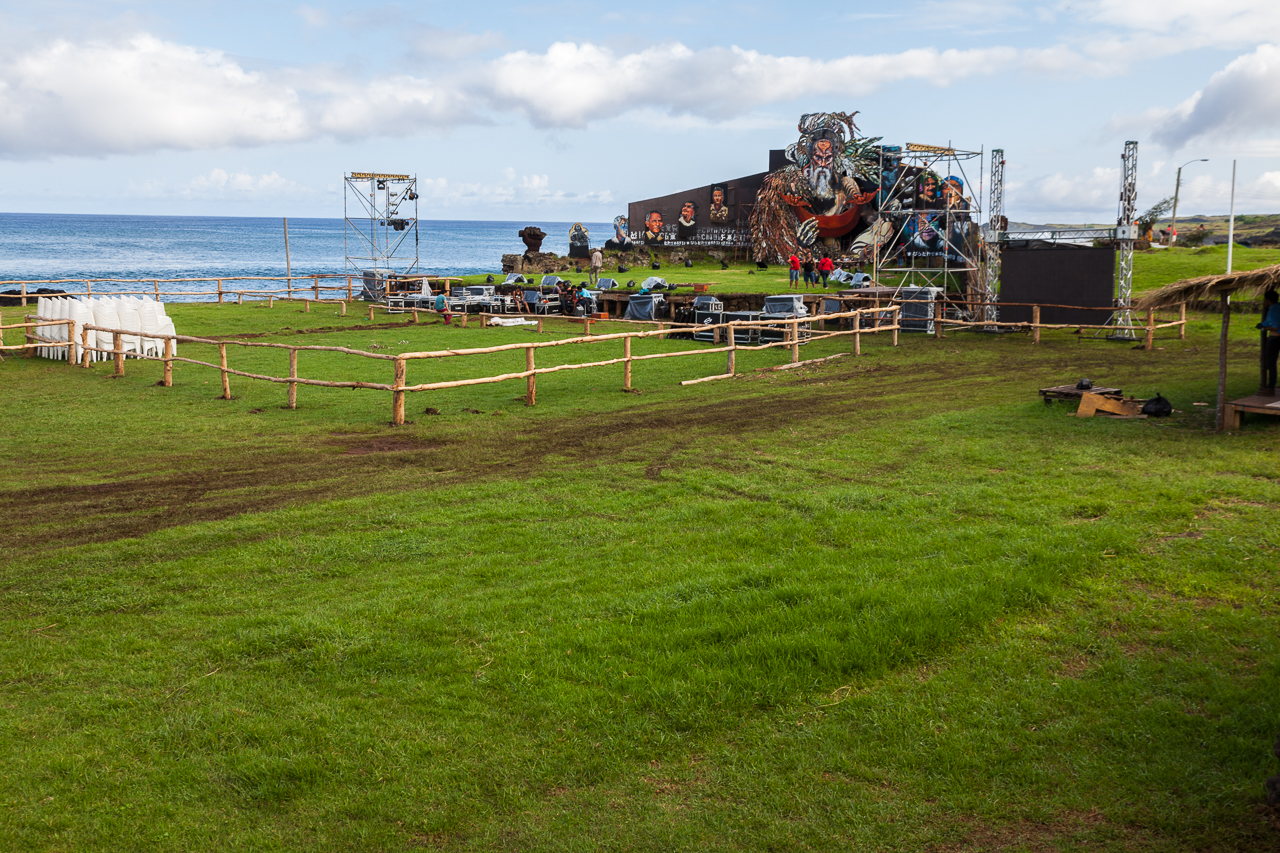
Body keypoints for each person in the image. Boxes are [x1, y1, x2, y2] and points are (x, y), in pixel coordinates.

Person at [1260, 289, 1280, 395]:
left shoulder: (1272, 309)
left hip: (1274, 338)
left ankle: (1270, 387)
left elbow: (1275, 326)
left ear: (1267, 300)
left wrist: (1264, 328)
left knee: (1271, 363)